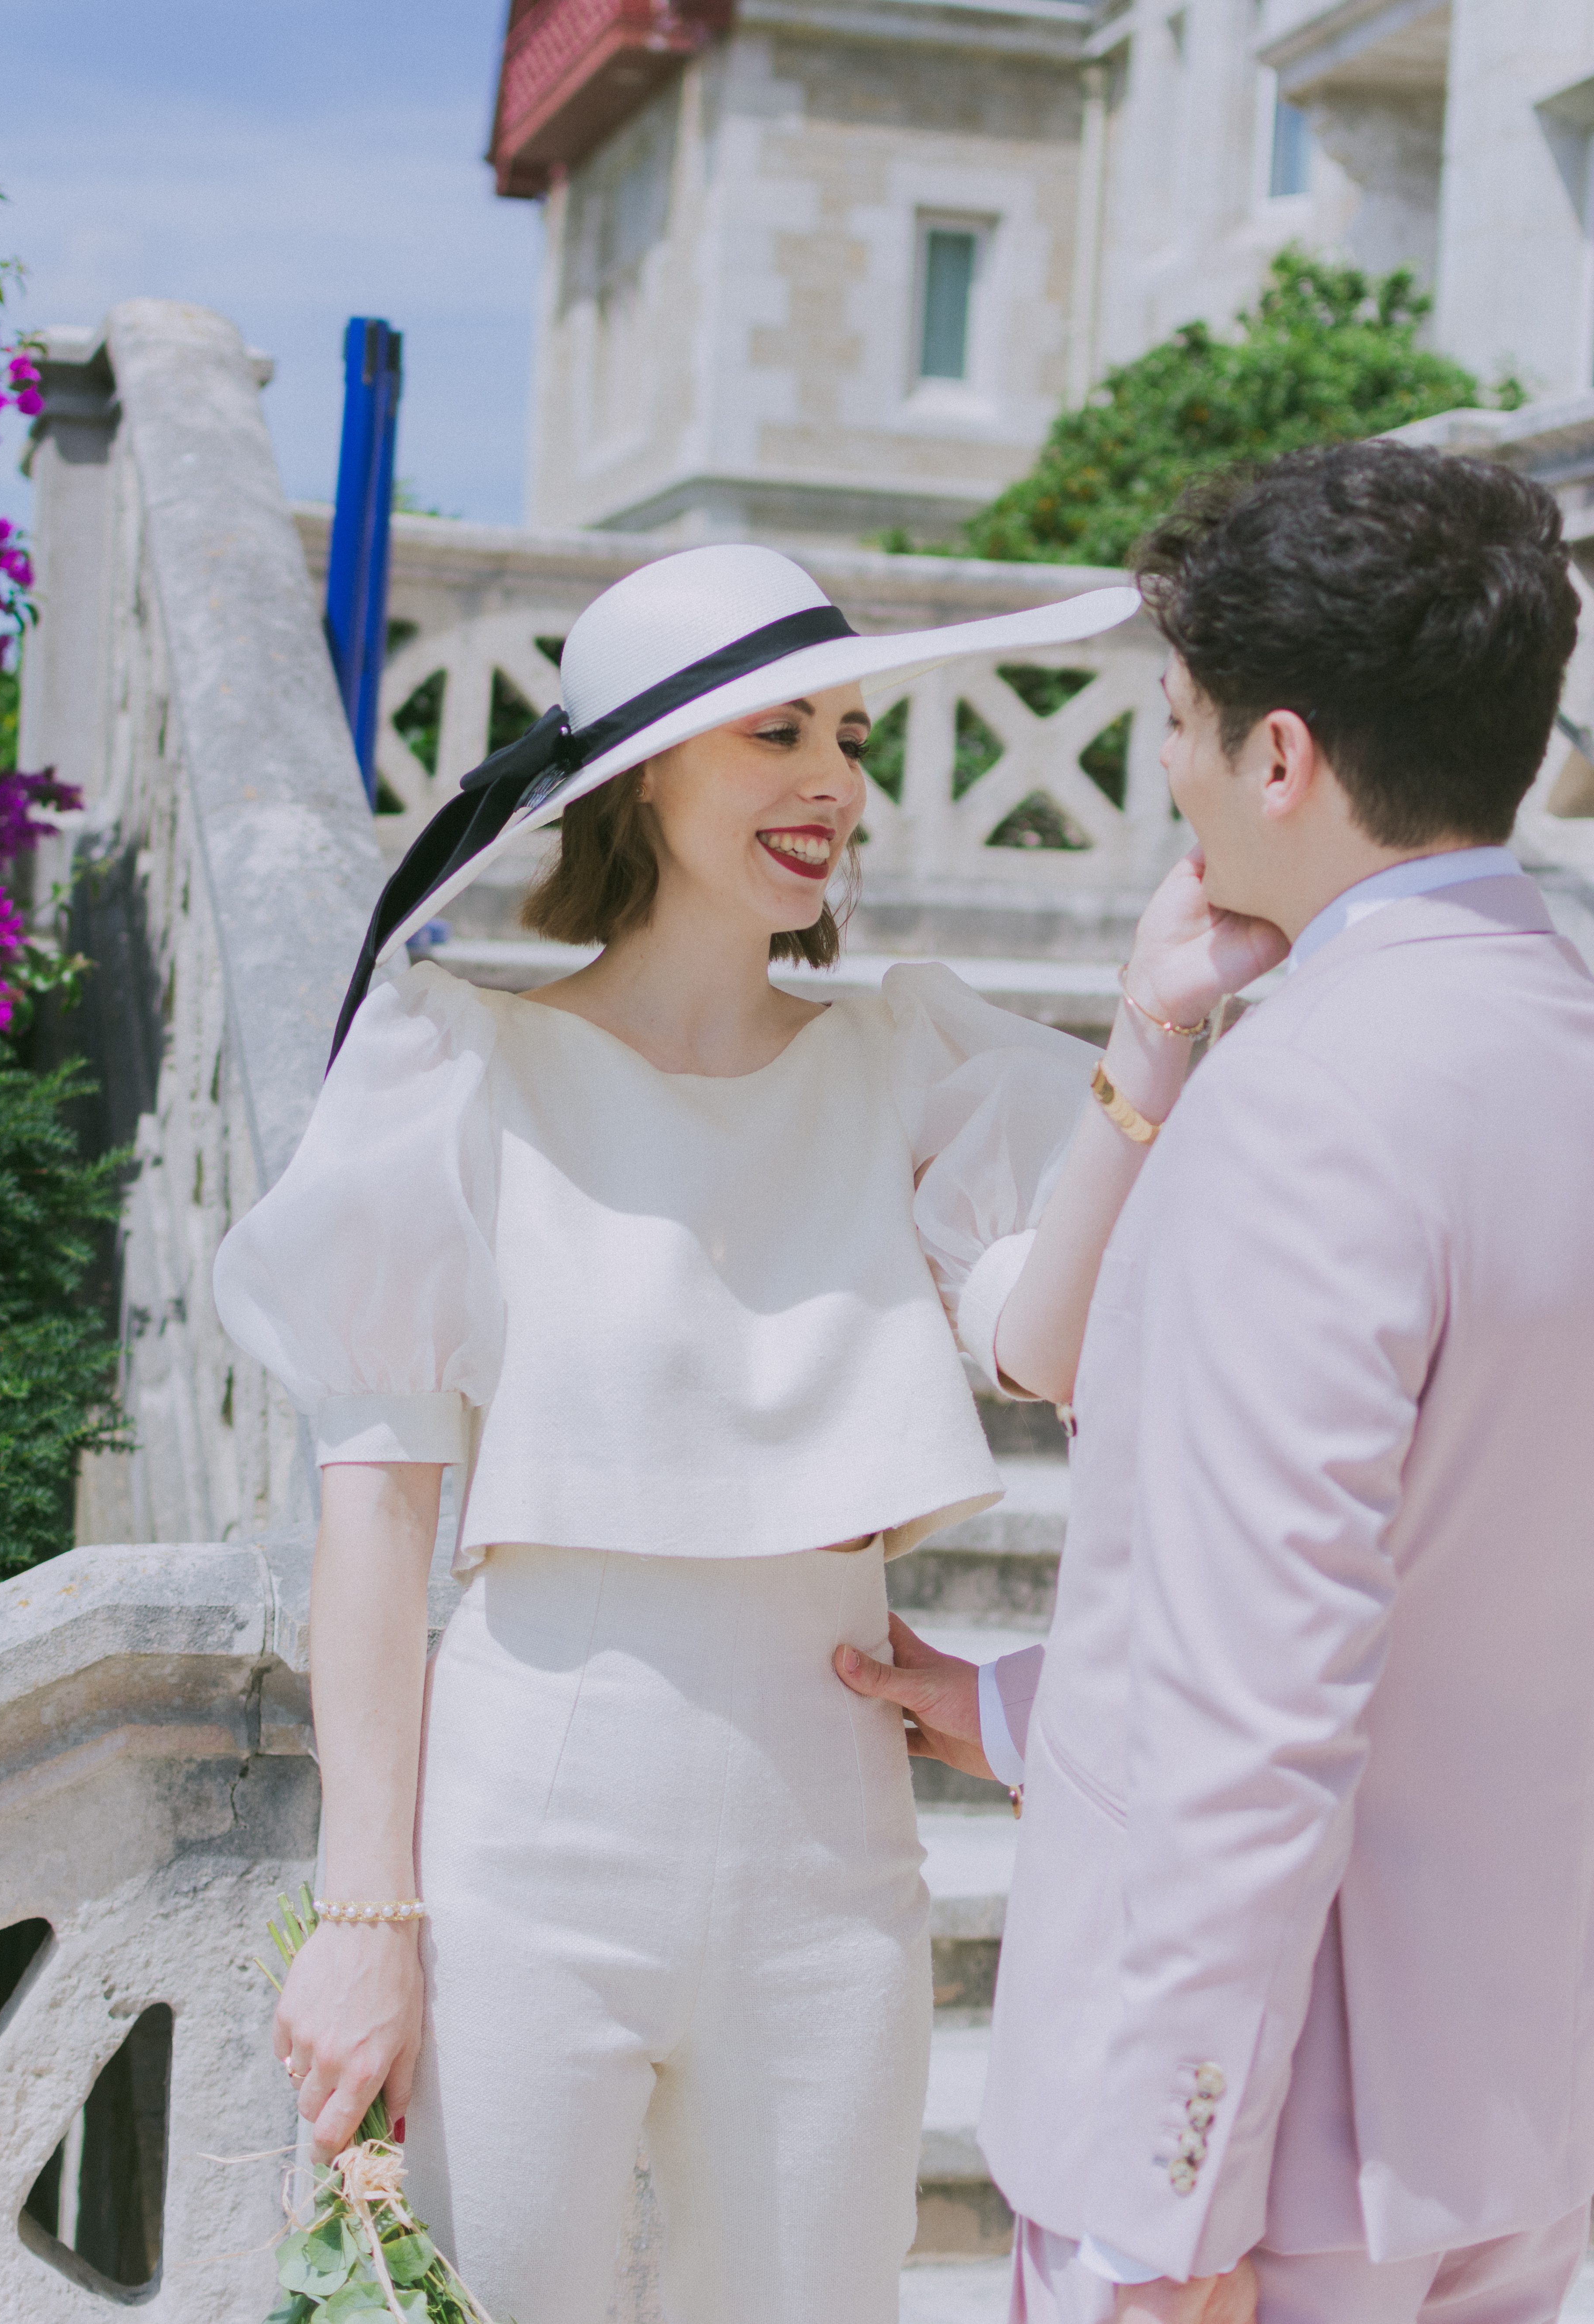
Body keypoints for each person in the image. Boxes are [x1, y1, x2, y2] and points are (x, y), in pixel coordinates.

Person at [211, 541, 1279, 2324]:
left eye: (849, 739)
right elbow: (377, 1520)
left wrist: (1152, 1044)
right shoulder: (450, 1061)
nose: (834, 785)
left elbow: (1046, 1333)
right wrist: (365, 1917)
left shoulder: (911, 1053)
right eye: (774, 731)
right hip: (524, 1827)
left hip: (829, 1840)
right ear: (642, 771)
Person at [839, 441, 1594, 2324]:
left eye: (1175, 721)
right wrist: (1022, 1710)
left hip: (1274, 2159)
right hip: (1518, 2119)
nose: (1162, 768)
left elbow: (1261, 1700)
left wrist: (1165, 2202)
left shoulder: (1308, 1107)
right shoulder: (1556, 1047)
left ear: (1280, 754)